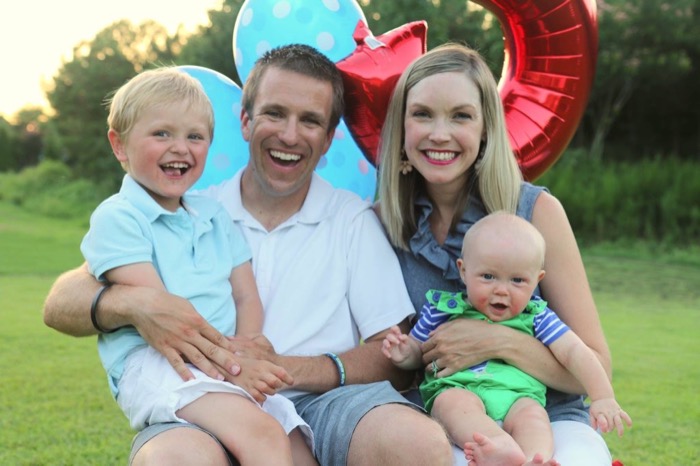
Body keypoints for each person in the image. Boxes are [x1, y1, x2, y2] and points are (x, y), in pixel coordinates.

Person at [43, 44, 454, 466]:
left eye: (310, 121)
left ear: (329, 139)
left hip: (329, 402)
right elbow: (60, 301)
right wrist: (136, 303)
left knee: (414, 442)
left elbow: (394, 356)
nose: (290, 136)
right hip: (204, 391)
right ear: (245, 120)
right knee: (174, 459)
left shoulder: (350, 219)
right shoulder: (191, 208)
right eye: (275, 113)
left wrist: (282, 369)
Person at [375, 42, 618, 465]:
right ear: (401, 127)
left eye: (461, 116)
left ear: (486, 128)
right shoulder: (383, 223)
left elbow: (595, 364)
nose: (440, 133)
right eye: (423, 114)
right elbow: (398, 361)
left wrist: (494, 340)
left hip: (543, 413)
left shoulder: (536, 212)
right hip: (444, 418)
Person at [81, 66, 315, 465]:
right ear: (119, 145)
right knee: (262, 435)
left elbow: (245, 296)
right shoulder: (119, 218)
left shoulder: (213, 215)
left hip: (220, 360)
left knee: (295, 442)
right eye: (162, 134)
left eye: (195, 136)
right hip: (158, 361)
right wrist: (235, 367)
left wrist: (247, 350)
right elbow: (166, 318)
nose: (180, 148)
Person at [383, 212, 632, 466]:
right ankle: (497, 446)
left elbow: (574, 352)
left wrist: (602, 396)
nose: (501, 290)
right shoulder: (443, 309)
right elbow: (420, 350)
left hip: (518, 397)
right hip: (461, 388)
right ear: (464, 270)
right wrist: (405, 352)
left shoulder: (537, 316)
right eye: (488, 276)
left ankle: (535, 459)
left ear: (537, 280)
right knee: (451, 406)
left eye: (517, 280)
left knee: (535, 419)